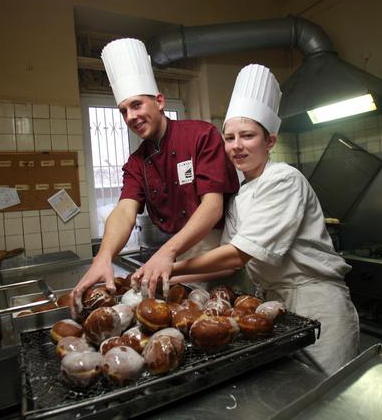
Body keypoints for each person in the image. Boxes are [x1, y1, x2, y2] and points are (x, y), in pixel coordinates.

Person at [134, 64, 359, 375]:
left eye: (248, 136)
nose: (236, 146)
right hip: (273, 306)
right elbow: (227, 264)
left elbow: (240, 253)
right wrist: (165, 278)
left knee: (328, 392)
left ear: (270, 142)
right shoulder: (239, 194)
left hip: (316, 301)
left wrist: (168, 267)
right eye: (229, 138)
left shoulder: (284, 179)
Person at [70, 38, 239, 311]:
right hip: (177, 257)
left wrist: (167, 252)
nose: (130, 116)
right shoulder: (136, 163)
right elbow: (124, 211)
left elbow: (212, 207)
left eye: (136, 105)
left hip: (217, 254)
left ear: (159, 101)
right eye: (123, 110)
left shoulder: (200, 135)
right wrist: (102, 257)